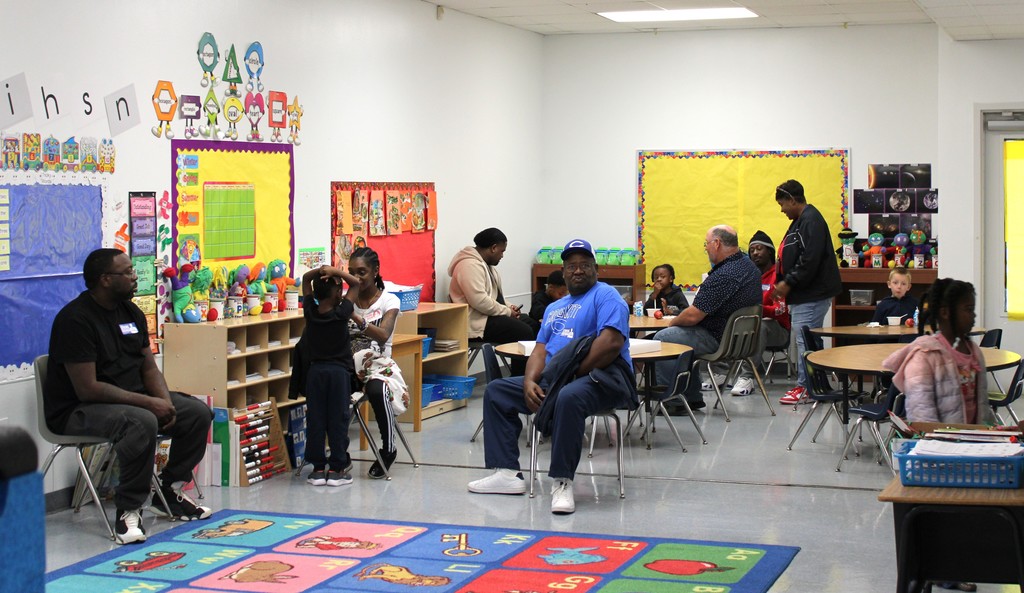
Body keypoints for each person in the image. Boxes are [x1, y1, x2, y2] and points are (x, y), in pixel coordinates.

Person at [45, 249, 213, 545]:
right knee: (142, 421)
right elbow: (88, 389)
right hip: (79, 409)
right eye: (128, 272)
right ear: (105, 280)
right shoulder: (75, 320)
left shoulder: (131, 313)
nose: (135, 277)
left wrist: (165, 402)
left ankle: (170, 491)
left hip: (131, 401)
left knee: (196, 413)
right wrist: (149, 403)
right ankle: (129, 510)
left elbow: (148, 366)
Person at [467, 239, 636, 515]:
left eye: (585, 265)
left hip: (602, 377)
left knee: (568, 397)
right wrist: (529, 381)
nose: (578, 270)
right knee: (497, 391)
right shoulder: (554, 308)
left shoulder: (607, 296)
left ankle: (562, 480)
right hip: (558, 379)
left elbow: (611, 343)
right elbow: (540, 350)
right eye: (571, 266)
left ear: (596, 269)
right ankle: (507, 473)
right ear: (563, 271)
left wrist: (570, 376)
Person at [653, 226, 762, 412]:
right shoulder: (748, 266)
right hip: (738, 340)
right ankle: (692, 398)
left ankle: (673, 401)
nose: (706, 249)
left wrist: (671, 323)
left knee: (663, 338)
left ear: (717, 243)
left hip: (718, 338)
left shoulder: (725, 274)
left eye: (707, 244)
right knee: (681, 337)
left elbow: (693, 315)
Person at [770, 180, 842, 405]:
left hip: (812, 294)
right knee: (811, 341)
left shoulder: (811, 220)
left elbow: (810, 259)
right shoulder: (800, 221)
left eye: (782, 204)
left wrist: (788, 282)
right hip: (804, 294)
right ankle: (818, 385)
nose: (782, 210)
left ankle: (806, 387)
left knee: (805, 341)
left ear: (792, 200)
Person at [883, 279, 993, 425]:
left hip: (973, 437)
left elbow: (983, 406)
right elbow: (922, 416)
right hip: (940, 439)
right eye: (968, 309)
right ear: (945, 313)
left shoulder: (975, 352)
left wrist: (991, 432)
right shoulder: (923, 357)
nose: (974, 315)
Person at [346, 247, 408, 479]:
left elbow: (383, 335)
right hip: (349, 366)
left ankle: (388, 449)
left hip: (378, 366)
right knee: (328, 382)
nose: (356, 278)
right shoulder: (347, 300)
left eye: (362, 272)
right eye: (351, 272)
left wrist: (354, 316)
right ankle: (338, 455)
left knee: (377, 389)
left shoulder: (388, 300)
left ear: (375, 271)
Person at [299, 264, 361, 488]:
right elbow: (356, 284)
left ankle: (317, 469)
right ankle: (336, 468)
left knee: (316, 419)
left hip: (315, 374)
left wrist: (319, 272)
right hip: (338, 375)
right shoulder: (342, 312)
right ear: (336, 294)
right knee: (338, 419)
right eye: (339, 290)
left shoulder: (310, 312)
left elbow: (305, 280)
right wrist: (335, 272)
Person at [448, 227, 538, 374]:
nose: (502, 256)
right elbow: (479, 301)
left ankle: (534, 374)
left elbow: (494, 297)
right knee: (523, 331)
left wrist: (509, 307)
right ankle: (520, 378)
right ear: (493, 248)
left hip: (488, 316)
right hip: (477, 322)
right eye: (502, 251)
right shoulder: (468, 265)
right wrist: (507, 312)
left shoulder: (486, 266)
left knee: (533, 325)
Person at [729, 230, 792, 396]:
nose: (755, 253)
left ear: (769, 251)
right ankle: (721, 373)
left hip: (778, 331)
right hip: (750, 326)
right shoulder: (749, 277)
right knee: (724, 322)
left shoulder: (779, 276)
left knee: (760, 325)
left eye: (759, 249)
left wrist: (757, 309)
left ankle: (747, 377)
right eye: (752, 250)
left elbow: (780, 310)